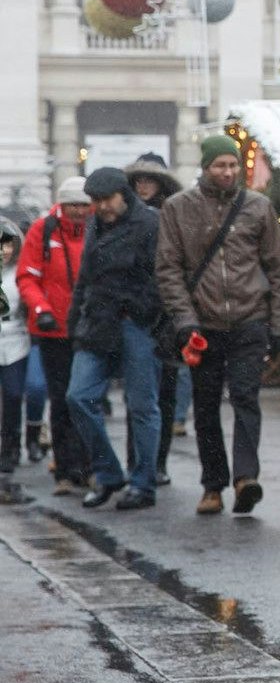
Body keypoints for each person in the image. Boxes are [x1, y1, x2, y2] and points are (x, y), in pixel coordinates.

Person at [157, 134, 280, 517]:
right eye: (221, 166)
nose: (229, 172)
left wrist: (278, 324)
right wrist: (185, 322)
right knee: (206, 405)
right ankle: (212, 484)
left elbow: (276, 270)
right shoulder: (177, 208)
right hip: (203, 323)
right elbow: (168, 270)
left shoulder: (258, 208)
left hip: (250, 318)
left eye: (233, 165)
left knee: (247, 397)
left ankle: (245, 478)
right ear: (205, 167)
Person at [64, 168, 169, 510]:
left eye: (106, 199)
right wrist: (75, 319)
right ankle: (109, 472)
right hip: (97, 322)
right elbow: (85, 277)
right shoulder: (96, 224)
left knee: (142, 406)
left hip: (134, 323)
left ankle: (143, 483)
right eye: (96, 201)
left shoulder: (150, 224)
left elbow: (162, 276)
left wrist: (141, 310)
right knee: (78, 396)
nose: (101, 207)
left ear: (124, 195)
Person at [19, 177, 92, 495]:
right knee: (61, 399)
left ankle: (89, 466)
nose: (78, 211)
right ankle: (65, 470)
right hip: (53, 330)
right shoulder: (42, 230)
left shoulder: (96, 229)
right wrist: (41, 309)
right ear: (62, 205)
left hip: (88, 330)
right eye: (73, 204)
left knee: (87, 399)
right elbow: (27, 276)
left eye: (83, 205)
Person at [124, 151, 183, 483]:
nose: (144, 186)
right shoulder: (123, 217)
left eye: (150, 180)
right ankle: (139, 461)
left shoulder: (174, 216)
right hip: (136, 313)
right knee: (139, 392)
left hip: (169, 313)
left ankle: (158, 461)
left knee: (166, 392)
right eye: (139, 180)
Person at [0, 222, 31, 475]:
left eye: (8, 244)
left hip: (16, 340)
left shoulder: (20, 273)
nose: (4, 250)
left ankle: (11, 449)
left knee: (12, 395)